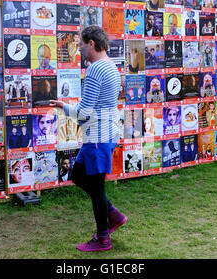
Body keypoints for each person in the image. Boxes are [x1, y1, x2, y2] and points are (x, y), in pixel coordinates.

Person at [50, 26, 127, 252]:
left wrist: (64, 106)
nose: (80, 48)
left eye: (81, 44)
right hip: (103, 133)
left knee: (96, 189)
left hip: (98, 137)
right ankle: (113, 214)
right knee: (78, 175)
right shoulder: (111, 66)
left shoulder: (95, 70)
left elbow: (84, 112)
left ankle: (103, 239)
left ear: (91, 43)